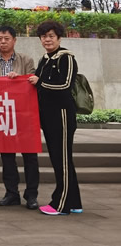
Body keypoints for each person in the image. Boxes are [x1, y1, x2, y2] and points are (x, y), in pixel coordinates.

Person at [28, 21, 83, 215]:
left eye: (51, 36)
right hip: (49, 116)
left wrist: (40, 82)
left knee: (62, 161)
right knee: (59, 159)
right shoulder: (45, 59)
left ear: (59, 37)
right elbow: (33, 82)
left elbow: (65, 85)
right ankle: (74, 202)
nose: (47, 40)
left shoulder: (66, 57)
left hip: (62, 115)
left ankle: (61, 205)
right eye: (44, 36)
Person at [0, 26, 39, 210]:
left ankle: (31, 195)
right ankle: (11, 193)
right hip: (3, 115)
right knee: (7, 157)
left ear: (14, 40)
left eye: (6, 38)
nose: (3, 42)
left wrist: (21, 78)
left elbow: (33, 80)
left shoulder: (26, 59)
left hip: (24, 114)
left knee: (30, 156)